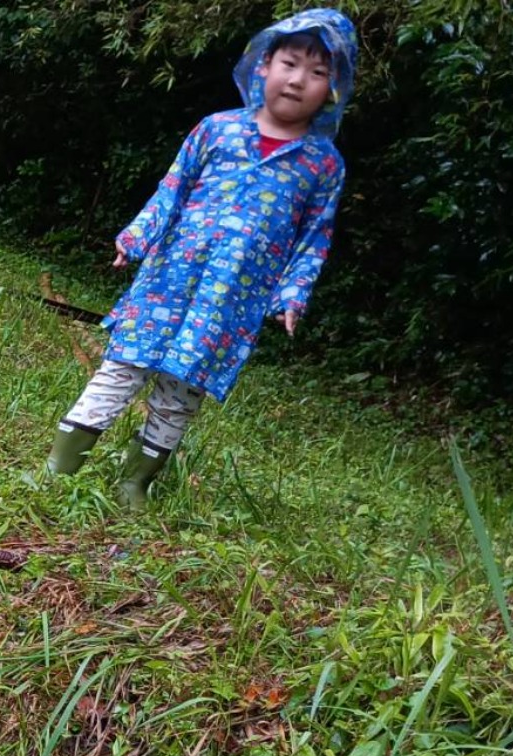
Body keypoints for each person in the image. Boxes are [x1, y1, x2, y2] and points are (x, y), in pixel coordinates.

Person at [45, 8, 358, 506]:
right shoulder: (216, 130)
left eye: (318, 73)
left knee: (180, 392)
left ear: (334, 88)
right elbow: (171, 190)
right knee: (121, 370)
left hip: (229, 305)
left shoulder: (322, 165)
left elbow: (313, 239)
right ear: (263, 66)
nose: (299, 80)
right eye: (290, 63)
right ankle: (59, 469)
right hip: (166, 282)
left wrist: (294, 293)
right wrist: (137, 237)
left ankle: (135, 483)